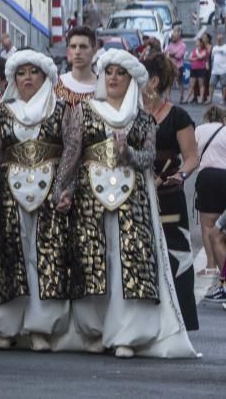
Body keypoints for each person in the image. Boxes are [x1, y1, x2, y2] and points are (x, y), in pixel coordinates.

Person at [64, 50, 196, 358]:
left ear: (131, 80)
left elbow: (149, 158)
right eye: (108, 72)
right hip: (89, 198)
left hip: (132, 200)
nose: (112, 78)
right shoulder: (84, 111)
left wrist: (128, 155)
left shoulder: (143, 117)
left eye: (119, 73)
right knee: (93, 259)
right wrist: (63, 190)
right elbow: (71, 155)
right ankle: (94, 330)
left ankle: (127, 334)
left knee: (129, 262)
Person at [0, 50, 79, 351]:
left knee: (46, 257)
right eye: (21, 73)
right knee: (11, 256)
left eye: (33, 72)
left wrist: (65, 188)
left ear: (45, 75)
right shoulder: (5, 112)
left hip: (49, 191)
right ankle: (8, 327)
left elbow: (73, 148)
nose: (26, 78)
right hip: (11, 192)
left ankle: (42, 328)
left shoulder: (62, 109)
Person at [141, 54, 200, 331]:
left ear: (152, 80)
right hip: (137, 193)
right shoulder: (131, 113)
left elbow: (191, 157)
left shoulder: (178, 116)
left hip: (169, 195)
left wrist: (180, 174)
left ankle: (180, 322)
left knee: (176, 254)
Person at [194, 106, 226, 299]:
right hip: (225, 175)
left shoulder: (200, 130)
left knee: (208, 225)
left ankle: (211, 265)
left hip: (207, 176)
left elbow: (195, 155)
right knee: (221, 228)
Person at [56, 26, 97, 105]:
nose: (77, 52)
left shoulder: (103, 87)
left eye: (83, 47)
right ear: (68, 51)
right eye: (73, 46)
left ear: (94, 51)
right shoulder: (56, 85)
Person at [164, 27, 188, 103]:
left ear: (178, 36)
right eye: (172, 36)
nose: (172, 37)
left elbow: (179, 56)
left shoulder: (183, 45)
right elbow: (165, 52)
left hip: (178, 66)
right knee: (169, 82)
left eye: (174, 36)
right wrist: (172, 54)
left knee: (180, 81)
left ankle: (181, 97)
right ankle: (168, 97)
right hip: (170, 65)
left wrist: (171, 54)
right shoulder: (170, 44)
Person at [187, 34, 212, 104]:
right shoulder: (198, 47)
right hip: (196, 66)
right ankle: (195, 97)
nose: (203, 38)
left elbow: (205, 56)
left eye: (205, 37)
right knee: (194, 84)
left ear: (208, 39)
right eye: (203, 37)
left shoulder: (208, 47)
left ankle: (204, 97)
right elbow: (191, 57)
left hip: (205, 65)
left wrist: (197, 56)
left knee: (204, 82)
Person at [209, 33, 226, 105]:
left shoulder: (225, 47)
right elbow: (212, 57)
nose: (219, 40)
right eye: (218, 38)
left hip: (223, 70)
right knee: (211, 84)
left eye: (220, 38)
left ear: (223, 39)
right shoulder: (214, 48)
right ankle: (210, 99)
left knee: (224, 85)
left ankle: (223, 99)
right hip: (215, 70)